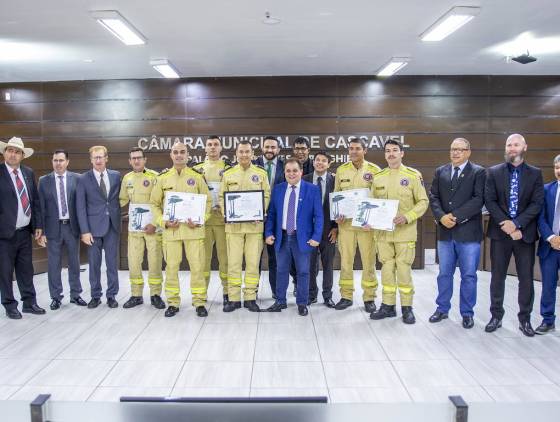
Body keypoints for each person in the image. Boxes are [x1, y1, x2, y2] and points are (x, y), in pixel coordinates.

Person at [484, 134, 544, 337]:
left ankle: (525, 319)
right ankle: (496, 316)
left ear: (524, 147)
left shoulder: (535, 174)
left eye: (516, 144)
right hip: (500, 234)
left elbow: (537, 204)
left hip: (524, 235)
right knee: (497, 277)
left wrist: (517, 224)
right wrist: (507, 225)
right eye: (509, 144)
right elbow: (490, 201)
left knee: (526, 279)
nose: (512, 148)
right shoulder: (493, 172)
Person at [428, 138, 486, 329]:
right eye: (453, 149)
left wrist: (455, 216)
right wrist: (441, 216)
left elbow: (479, 199)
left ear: (468, 152)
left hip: (469, 234)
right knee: (444, 274)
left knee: (468, 275)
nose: (456, 153)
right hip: (445, 233)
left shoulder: (478, 172)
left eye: (460, 150)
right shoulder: (440, 171)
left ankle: (467, 313)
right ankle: (442, 309)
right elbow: (433, 196)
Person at [370, 139, 428, 324]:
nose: (391, 154)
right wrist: (367, 220)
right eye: (388, 151)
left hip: (405, 232)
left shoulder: (413, 175)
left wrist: (408, 216)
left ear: (402, 153)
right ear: (385, 154)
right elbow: (372, 204)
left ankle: (407, 308)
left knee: (403, 270)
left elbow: (423, 202)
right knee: (386, 269)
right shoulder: (378, 176)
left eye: (395, 150)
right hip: (383, 234)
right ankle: (387, 306)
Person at [150, 142, 211, 317]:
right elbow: (154, 204)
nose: (179, 155)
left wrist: (200, 220)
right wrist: (163, 221)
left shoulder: (197, 177)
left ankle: (199, 302)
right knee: (171, 267)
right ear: (171, 155)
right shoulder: (162, 178)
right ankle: (173, 302)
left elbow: (207, 202)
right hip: (172, 231)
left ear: (188, 155)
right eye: (175, 152)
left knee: (197, 267)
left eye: (182, 152)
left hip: (194, 231)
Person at [265, 159, 323, 315]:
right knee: (281, 270)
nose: (291, 174)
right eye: (288, 171)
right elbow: (271, 214)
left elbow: (319, 216)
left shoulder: (312, 189)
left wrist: (316, 236)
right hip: (281, 237)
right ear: (284, 173)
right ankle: (280, 301)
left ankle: (302, 303)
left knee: (303, 272)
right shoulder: (278, 189)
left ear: (301, 172)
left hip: (303, 238)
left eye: (294, 170)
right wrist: (269, 232)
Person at [220, 140, 271, 312]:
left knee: (252, 263)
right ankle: (234, 299)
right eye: (241, 152)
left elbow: (266, 195)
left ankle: (250, 297)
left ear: (252, 154)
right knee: (233, 264)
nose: (244, 155)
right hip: (233, 228)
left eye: (247, 152)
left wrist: (260, 211)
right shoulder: (228, 174)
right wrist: (226, 212)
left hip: (254, 227)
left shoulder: (260, 173)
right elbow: (221, 197)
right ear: (236, 154)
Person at [333, 137, 381, 312]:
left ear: (365, 150)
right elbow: (336, 196)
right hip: (345, 226)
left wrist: (374, 219)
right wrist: (336, 215)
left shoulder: (375, 170)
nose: (353, 151)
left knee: (369, 262)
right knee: (346, 262)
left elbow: (379, 198)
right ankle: (346, 296)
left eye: (357, 148)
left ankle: (369, 298)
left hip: (367, 227)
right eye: (351, 148)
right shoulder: (341, 170)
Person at [0, 137, 45, 319]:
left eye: (17, 152)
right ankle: (10, 305)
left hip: (24, 232)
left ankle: (29, 303)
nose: (13, 154)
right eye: (10, 150)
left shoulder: (27, 172)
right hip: (4, 234)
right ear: (4, 153)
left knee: (26, 269)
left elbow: (34, 201)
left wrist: (38, 225)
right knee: (5, 271)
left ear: (22, 156)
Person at [38, 150, 86, 310]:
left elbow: (81, 206)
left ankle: (75, 295)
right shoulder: (44, 181)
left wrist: (83, 228)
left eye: (61, 160)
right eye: (55, 160)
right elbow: (41, 208)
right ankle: (56, 297)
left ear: (67, 162)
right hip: (53, 228)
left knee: (74, 262)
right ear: (52, 162)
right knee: (53, 264)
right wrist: (42, 231)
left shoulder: (78, 179)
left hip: (71, 227)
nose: (58, 163)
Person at [76, 145, 122, 309]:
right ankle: (95, 296)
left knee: (112, 264)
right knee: (94, 265)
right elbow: (80, 207)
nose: (98, 160)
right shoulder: (83, 179)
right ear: (91, 159)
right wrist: (84, 231)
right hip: (92, 230)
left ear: (106, 158)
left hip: (112, 227)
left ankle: (112, 295)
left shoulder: (116, 176)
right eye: (95, 157)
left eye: (101, 157)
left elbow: (118, 200)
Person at [119, 147, 165, 310]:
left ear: (145, 159)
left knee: (154, 262)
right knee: (134, 261)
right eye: (133, 158)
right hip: (135, 229)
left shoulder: (154, 177)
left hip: (153, 228)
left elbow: (161, 202)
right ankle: (136, 295)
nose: (136, 161)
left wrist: (156, 224)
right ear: (130, 161)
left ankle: (155, 295)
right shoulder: (127, 178)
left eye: (139, 157)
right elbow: (122, 200)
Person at [193, 136, 232, 303]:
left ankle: (227, 292)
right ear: (205, 148)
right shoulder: (196, 169)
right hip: (204, 221)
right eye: (209, 145)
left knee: (226, 260)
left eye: (216, 145)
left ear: (221, 148)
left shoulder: (228, 168)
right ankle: (202, 294)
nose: (213, 147)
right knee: (203, 261)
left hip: (223, 221)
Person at [303, 151, 337, 307]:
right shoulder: (304, 180)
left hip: (329, 231)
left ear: (329, 164)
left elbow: (339, 207)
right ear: (313, 161)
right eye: (317, 160)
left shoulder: (335, 181)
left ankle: (327, 295)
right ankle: (311, 295)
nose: (320, 163)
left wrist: (336, 228)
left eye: (324, 161)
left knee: (328, 265)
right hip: (309, 232)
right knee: (310, 265)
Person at [253, 135, 284, 298]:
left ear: (278, 150)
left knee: (275, 258)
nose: (270, 150)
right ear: (262, 148)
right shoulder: (252, 165)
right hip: (255, 218)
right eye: (267, 147)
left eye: (273, 147)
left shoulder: (285, 167)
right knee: (254, 256)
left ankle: (276, 291)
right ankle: (253, 290)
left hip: (277, 219)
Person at [535, 154, 560, 334]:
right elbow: (540, 218)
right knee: (548, 286)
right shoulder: (546, 190)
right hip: (549, 247)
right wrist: (551, 238)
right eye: (557, 167)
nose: (559, 171)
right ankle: (548, 320)